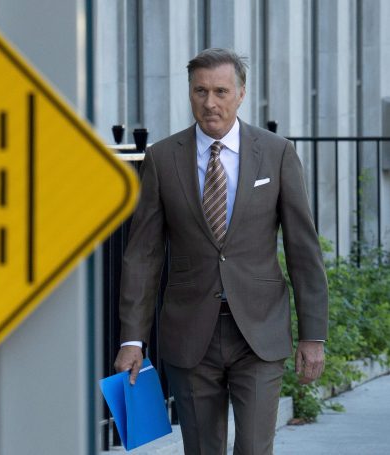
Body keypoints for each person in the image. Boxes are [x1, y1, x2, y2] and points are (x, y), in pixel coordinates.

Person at [114, 48, 328, 455]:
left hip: (259, 331)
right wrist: (132, 340)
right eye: (200, 91)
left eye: (220, 91)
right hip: (190, 332)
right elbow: (142, 255)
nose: (210, 102)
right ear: (189, 92)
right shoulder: (162, 158)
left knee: (254, 448)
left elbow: (303, 249)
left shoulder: (277, 153)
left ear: (241, 94)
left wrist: (313, 334)